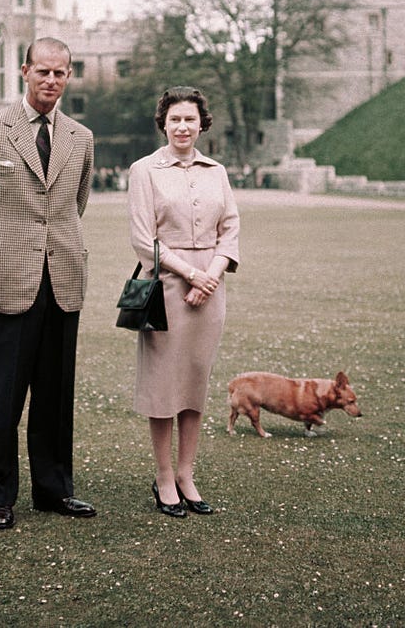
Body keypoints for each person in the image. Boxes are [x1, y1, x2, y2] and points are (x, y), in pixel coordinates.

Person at [0, 37, 96, 530]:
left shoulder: (81, 137)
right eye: (43, 72)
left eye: (60, 73)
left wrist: (50, 249)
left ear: (69, 75)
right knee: (5, 395)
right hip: (7, 280)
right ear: (24, 71)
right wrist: (1, 252)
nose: (51, 81)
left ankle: (54, 490)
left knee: (56, 395)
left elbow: (75, 205)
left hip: (62, 279)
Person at [127, 86, 240, 517]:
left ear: (201, 123)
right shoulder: (144, 170)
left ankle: (187, 473)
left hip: (210, 291)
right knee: (163, 387)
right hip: (164, 289)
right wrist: (190, 274)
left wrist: (210, 275)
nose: (182, 126)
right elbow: (143, 239)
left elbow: (230, 228)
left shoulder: (217, 172)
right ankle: (162, 476)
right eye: (175, 119)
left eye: (190, 119)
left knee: (195, 383)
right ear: (164, 123)